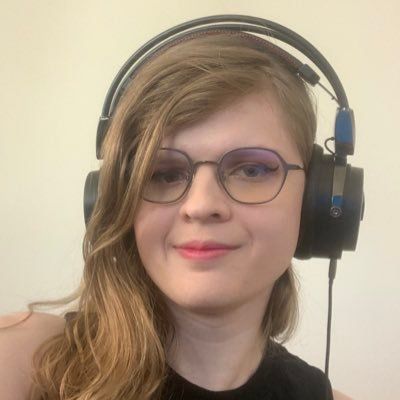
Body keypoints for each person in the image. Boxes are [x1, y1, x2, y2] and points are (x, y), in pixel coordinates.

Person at [0, 30, 353, 399]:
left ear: (316, 198)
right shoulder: (21, 364)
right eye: (164, 174)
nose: (200, 206)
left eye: (251, 169)